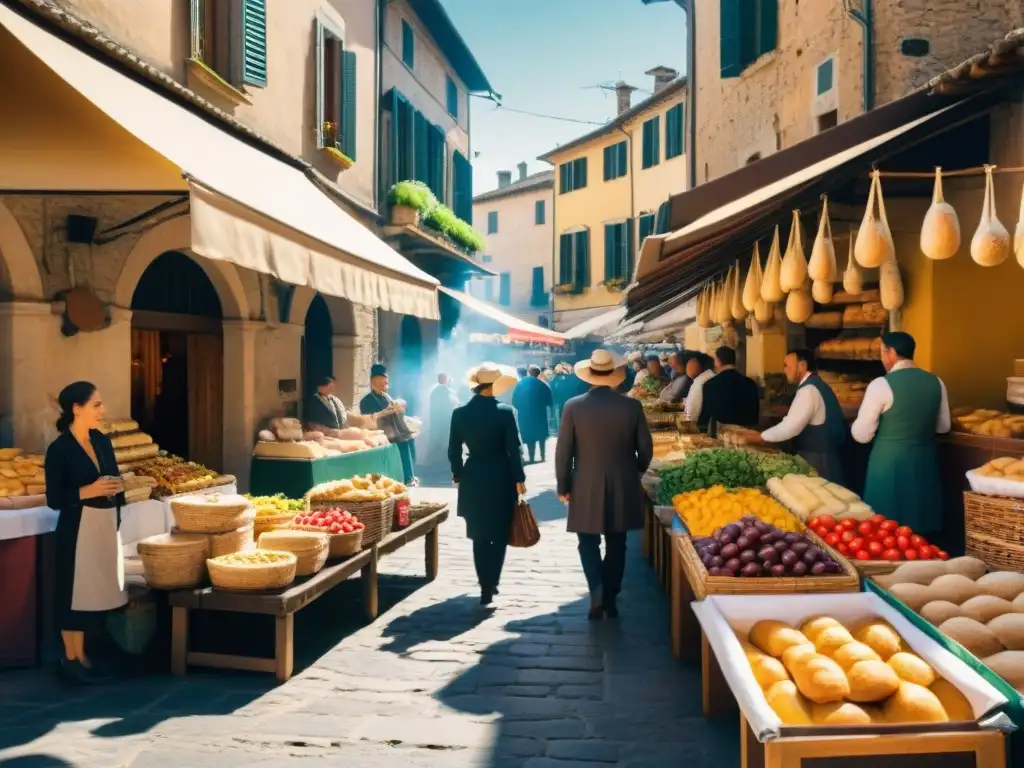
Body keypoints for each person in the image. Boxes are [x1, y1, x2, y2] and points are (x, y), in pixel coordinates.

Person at [556, 350, 654, 620]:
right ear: (614, 375)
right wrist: (634, 471)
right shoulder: (631, 406)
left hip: (584, 483)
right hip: (623, 482)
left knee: (587, 542)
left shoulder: (573, 406)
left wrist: (563, 485)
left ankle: (597, 591)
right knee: (617, 542)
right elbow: (646, 450)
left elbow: (563, 452)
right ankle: (610, 596)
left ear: (589, 374)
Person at [45, 382, 126, 683]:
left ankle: (84, 654)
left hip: (103, 524)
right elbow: (55, 499)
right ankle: (71, 658)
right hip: (76, 528)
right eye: (97, 405)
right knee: (72, 593)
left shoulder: (102, 442)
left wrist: (119, 488)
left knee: (92, 592)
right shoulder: (59, 450)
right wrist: (87, 490)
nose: (103, 411)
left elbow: (113, 478)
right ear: (76, 409)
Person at [852, 332, 951, 536]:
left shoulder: (881, 385)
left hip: (889, 464)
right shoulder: (937, 382)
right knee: (921, 530)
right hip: (924, 461)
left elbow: (861, 435)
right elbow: (943, 427)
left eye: (882, 352)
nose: (881, 358)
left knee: (887, 529)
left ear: (891, 352)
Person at [448, 364, 526, 606]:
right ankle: (493, 581)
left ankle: (484, 584)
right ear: (494, 386)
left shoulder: (459, 413)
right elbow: (515, 449)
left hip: (473, 476)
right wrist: (520, 479)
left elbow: (453, 450)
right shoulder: (505, 412)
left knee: (479, 534)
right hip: (501, 475)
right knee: (500, 533)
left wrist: (458, 474)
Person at [746, 349, 846, 483]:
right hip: (825, 456)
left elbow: (790, 427)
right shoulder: (817, 385)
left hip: (818, 460)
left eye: (787, 365)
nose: (785, 370)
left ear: (802, 366)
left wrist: (758, 437)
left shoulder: (808, 390)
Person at [360, 364, 418, 485]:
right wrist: (384, 413)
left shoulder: (387, 397)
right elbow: (368, 420)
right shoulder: (366, 401)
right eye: (381, 383)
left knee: (407, 440)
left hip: (394, 432)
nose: (384, 386)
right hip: (380, 433)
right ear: (373, 383)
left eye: (385, 383)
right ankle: (404, 477)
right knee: (401, 442)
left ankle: (409, 476)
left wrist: (398, 410)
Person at [702, 346, 760, 430]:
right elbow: (754, 416)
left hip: (721, 433)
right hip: (746, 433)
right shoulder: (750, 383)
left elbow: (706, 415)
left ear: (717, 362)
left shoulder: (710, 384)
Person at [305, 375, 374, 435]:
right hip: (325, 432)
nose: (332, 387)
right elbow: (313, 421)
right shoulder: (315, 401)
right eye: (330, 385)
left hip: (340, 431)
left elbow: (342, 413)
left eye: (333, 385)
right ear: (321, 387)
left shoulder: (334, 399)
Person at [512, 365, 554, 463]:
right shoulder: (543, 385)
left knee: (530, 437)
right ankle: (542, 456)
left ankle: (531, 458)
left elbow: (514, 401)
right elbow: (550, 401)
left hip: (525, 415)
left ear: (529, 372)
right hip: (540, 415)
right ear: (539, 373)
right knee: (541, 436)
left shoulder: (520, 384)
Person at [427, 373, 460, 462]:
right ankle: (441, 461)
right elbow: (450, 403)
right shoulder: (443, 389)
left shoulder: (435, 389)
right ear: (444, 379)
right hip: (444, 419)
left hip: (438, 418)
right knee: (442, 440)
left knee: (439, 439)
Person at [684, 353, 716, 428]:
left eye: (690, 364)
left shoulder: (701, 382)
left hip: (702, 428)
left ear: (699, 366)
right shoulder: (708, 377)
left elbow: (692, 413)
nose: (687, 368)